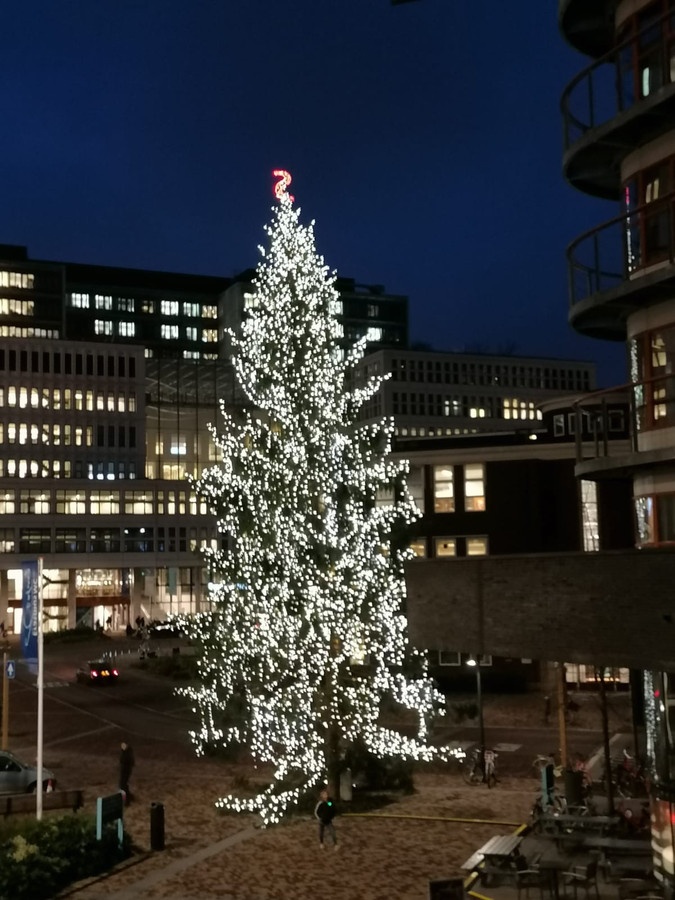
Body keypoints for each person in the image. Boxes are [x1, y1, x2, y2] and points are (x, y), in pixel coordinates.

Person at [118, 741, 135, 805]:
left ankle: (127, 801)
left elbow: (127, 763)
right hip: (124, 771)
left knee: (123, 785)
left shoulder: (128, 754)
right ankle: (129, 798)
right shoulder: (125, 753)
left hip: (126, 771)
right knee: (123, 785)